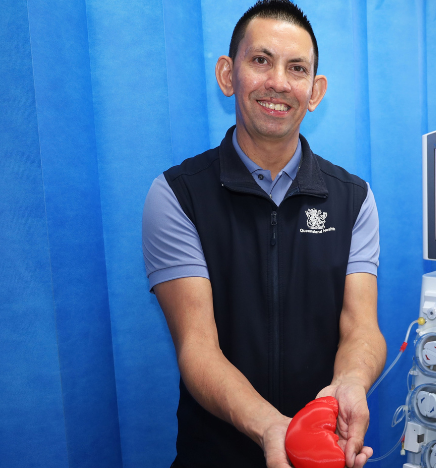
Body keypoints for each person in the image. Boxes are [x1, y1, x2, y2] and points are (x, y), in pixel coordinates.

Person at [141, 1, 387, 467]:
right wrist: (274, 428)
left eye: (296, 69)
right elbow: (197, 347)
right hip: (214, 455)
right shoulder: (178, 195)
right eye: (261, 60)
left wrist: (350, 384)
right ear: (228, 74)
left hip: (322, 452)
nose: (278, 82)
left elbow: (361, 328)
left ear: (315, 92)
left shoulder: (354, 199)